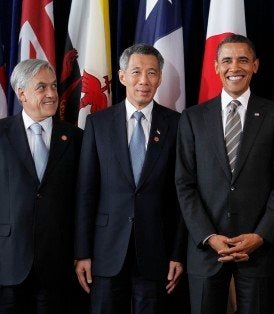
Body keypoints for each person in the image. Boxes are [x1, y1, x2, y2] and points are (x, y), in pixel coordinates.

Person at [176, 34, 274, 314]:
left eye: (243, 60)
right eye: (227, 60)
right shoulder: (193, 118)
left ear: (255, 65)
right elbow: (184, 183)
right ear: (216, 67)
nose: (235, 67)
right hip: (207, 250)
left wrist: (261, 235)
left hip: (257, 250)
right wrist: (208, 236)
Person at [74, 44, 186, 314]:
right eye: (136, 72)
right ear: (122, 76)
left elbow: (183, 194)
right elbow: (86, 192)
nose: (144, 81)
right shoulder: (97, 124)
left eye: (151, 73)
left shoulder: (178, 124)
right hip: (105, 250)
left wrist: (178, 253)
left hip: (156, 250)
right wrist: (82, 252)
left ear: (160, 78)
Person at [0, 59, 83, 313]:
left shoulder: (75, 137)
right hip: (8, 255)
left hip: (57, 259)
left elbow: (81, 198)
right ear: (21, 94)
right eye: (41, 87)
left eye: (53, 86)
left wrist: (81, 250)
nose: (52, 94)